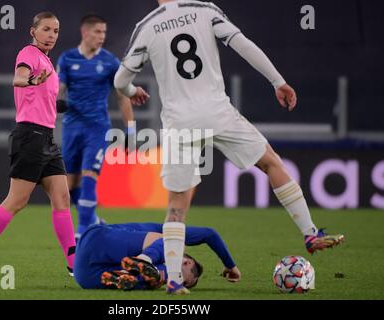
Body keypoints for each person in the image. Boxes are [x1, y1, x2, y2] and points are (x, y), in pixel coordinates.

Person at [114, 0, 345, 294]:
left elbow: (120, 79)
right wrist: (278, 82)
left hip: (179, 122)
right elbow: (243, 45)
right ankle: (310, 233)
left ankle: (173, 280)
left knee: (176, 206)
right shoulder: (205, 9)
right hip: (217, 113)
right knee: (271, 163)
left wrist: (133, 91)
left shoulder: (146, 26)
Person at [0, 12, 76, 277]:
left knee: (62, 198)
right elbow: (19, 78)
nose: (51, 35)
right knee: (17, 201)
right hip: (30, 138)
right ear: (33, 31)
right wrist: (29, 80)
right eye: (46, 29)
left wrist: (65, 105)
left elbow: (44, 101)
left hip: (46, 138)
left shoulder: (48, 62)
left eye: (56, 30)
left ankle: (74, 263)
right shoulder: (28, 53)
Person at [56, 15, 135, 239]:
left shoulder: (110, 62)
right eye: (98, 32)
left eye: (104, 33)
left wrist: (131, 129)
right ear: (85, 32)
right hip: (72, 127)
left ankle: (82, 232)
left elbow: (122, 97)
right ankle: (94, 220)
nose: (102, 37)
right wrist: (59, 100)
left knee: (90, 174)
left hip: (97, 127)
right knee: (69, 188)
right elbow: (60, 87)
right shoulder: (67, 58)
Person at [73, 222, 241, 290]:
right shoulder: (168, 229)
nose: (177, 282)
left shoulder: (158, 275)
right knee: (174, 242)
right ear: (188, 262)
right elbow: (209, 234)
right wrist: (230, 265)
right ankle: (143, 260)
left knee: (153, 280)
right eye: (182, 278)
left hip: (86, 276)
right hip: (97, 241)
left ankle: (126, 275)